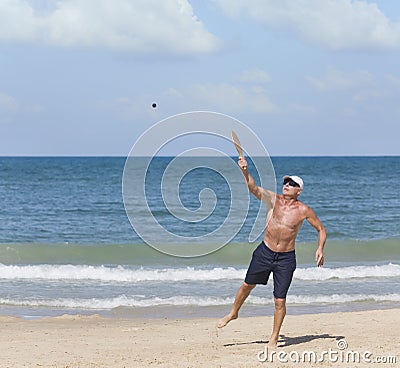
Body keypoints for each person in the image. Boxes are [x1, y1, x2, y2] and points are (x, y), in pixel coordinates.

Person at [217, 156, 326, 348]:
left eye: (292, 184)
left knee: (279, 300)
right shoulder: (272, 199)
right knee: (246, 285)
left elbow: (321, 229)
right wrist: (244, 170)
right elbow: (253, 188)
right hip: (265, 252)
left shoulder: (304, 210)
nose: (286, 185)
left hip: (286, 259)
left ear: (298, 191)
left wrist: (320, 248)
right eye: (286, 182)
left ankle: (274, 336)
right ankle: (233, 313)